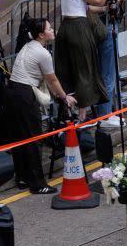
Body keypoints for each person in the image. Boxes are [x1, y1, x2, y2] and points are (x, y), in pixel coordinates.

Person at [7, 18, 77, 194]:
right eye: (49, 28)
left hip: (13, 91)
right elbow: (52, 80)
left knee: (20, 138)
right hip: (24, 94)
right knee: (33, 138)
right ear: (41, 34)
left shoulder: (28, 46)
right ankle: (38, 183)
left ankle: (22, 177)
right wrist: (65, 97)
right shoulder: (43, 54)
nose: (53, 30)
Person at [55, 0, 113, 121]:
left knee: (70, 71)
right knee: (85, 70)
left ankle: (69, 111)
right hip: (78, 28)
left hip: (65, 27)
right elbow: (99, 0)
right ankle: (82, 117)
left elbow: (86, 7)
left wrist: (105, 9)